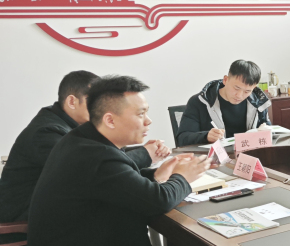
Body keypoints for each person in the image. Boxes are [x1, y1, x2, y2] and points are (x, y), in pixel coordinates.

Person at [27, 75, 210, 246]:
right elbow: (157, 201)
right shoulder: (96, 156)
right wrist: (183, 178)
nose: (148, 121)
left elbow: (116, 183)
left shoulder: (81, 140)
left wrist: (157, 175)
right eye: (140, 114)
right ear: (110, 120)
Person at [0, 71, 169, 226]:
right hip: (22, 222)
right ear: (72, 102)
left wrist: (149, 160)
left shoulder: (66, 125)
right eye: (93, 100)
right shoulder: (47, 132)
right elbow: (96, 167)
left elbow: (103, 160)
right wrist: (145, 154)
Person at [176, 60, 271, 146]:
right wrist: (206, 136)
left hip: (250, 155)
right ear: (225, 80)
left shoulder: (259, 103)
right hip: (212, 158)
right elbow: (182, 138)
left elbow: (270, 132)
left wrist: (266, 131)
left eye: (247, 91)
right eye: (236, 88)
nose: (239, 95)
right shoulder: (200, 101)